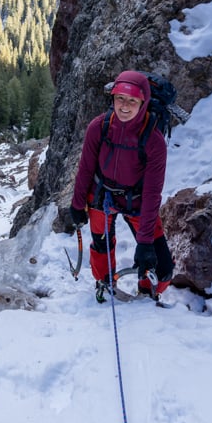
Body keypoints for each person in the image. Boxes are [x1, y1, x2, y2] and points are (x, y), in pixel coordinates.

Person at [69, 70, 174, 301]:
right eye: (120, 99)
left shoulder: (153, 140)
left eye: (132, 101)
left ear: (143, 102)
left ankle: (148, 292)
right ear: (112, 98)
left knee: (163, 268)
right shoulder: (99, 127)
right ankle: (104, 283)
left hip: (138, 199)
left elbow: (152, 192)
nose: (124, 107)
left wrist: (145, 243)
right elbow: (85, 169)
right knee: (100, 247)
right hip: (101, 195)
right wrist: (77, 205)